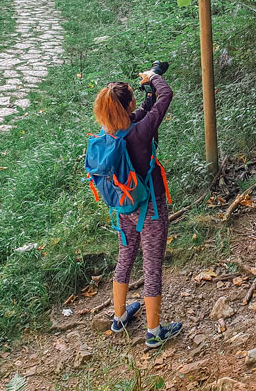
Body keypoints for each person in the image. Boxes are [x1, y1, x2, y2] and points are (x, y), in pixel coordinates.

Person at [92, 68, 182, 347]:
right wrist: (153, 77)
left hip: (123, 211)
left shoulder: (109, 134)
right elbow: (166, 95)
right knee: (152, 268)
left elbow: (141, 113)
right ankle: (154, 333)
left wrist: (147, 95)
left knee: (125, 259)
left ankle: (119, 317)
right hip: (151, 211)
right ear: (128, 104)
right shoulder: (141, 133)